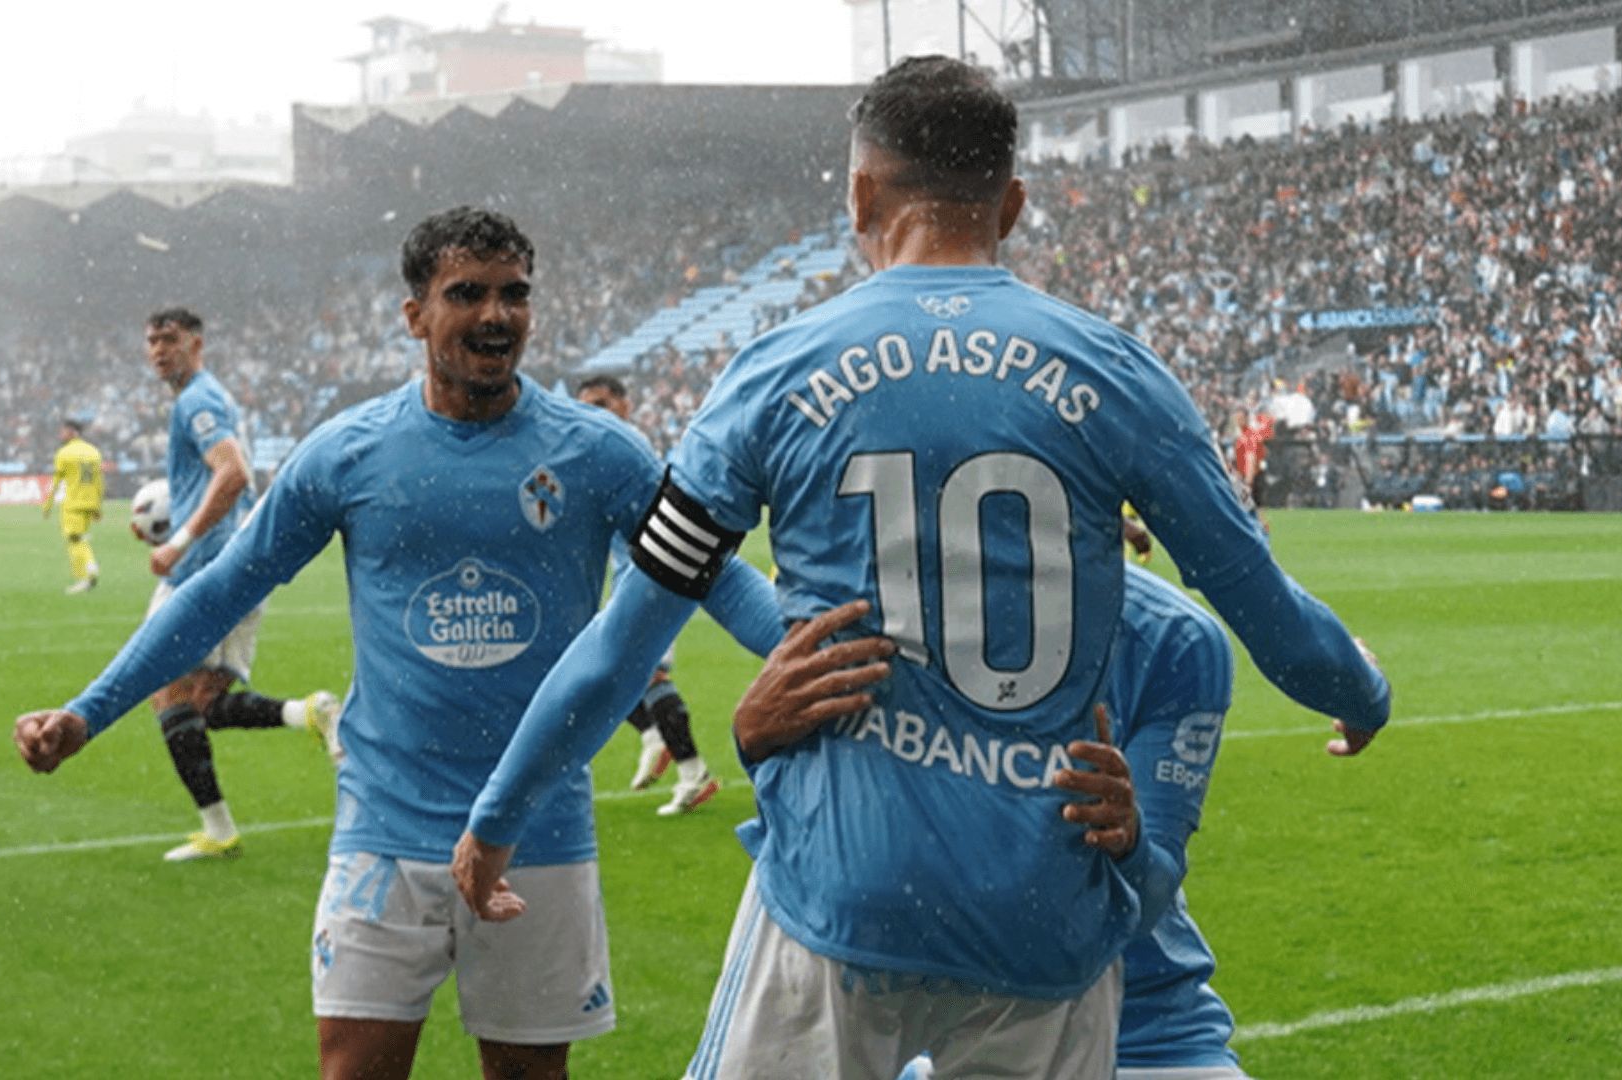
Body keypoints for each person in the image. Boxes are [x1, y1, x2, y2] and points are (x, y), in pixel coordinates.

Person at [454, 58, 1388, 1078]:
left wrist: (496, 821)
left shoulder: (773, 375)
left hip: (844, 897)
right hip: (1042, 909)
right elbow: (1268, 614)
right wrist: (1357, 690)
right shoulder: (1114, 373)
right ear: (1014, 204)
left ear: (860, 193)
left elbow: (622, 646)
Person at [12, 207, 785, 1080]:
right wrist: (88, 712)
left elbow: (714, 573)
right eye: (467, 294)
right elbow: (220, 589)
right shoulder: (349, 454)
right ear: (414, 314)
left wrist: (803, 652)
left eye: (514, 294)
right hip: (384, 830)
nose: (497, 315)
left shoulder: (599, 452)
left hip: (540, 828)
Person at [731, 565, 1356, 1080]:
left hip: (1148, 1029)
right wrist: (753, 739)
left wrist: (1129, 839)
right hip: (919, 1019)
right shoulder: (884, 609)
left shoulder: (1168, 637)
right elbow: (695, 551)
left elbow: (1151, 894)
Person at [136, 307, 339, 861]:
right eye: (152, 341)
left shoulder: (197, 400)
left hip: (205, 572)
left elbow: (232, 474)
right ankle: (308, 712)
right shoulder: (210, 396)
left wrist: (178, 542)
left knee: (167, 694)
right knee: (202, 701)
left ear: (196, 343)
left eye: (169, 340)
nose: (158, 350)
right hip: (235, 565)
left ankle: (220, 832)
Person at [574, 373, 720, 816]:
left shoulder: (628, 447)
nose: (594, 413)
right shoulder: (604, 450)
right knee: (608, 674)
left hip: (656, 578)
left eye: (602, 402)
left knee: (638, 676)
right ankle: (660, 743)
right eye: (587, 405)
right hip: (632, 578)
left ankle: (692, 773)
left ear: (625, 404)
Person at [41, 417, 104, 594]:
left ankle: (87, 573)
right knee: (80, 537)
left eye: (63, 431)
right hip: (90, 502)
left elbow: (56, 482)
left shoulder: (64, 453)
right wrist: (98, 506)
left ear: (72, 432)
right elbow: (99, 480)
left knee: (74, 539)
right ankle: (86, 574)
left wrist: (47, 505)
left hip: (73, 502)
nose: (60, 434)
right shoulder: (93, 452)